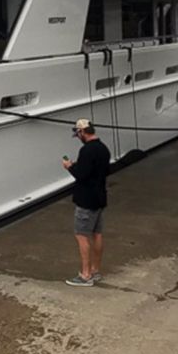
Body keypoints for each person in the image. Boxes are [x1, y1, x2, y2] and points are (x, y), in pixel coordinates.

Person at [62, 119, 111, 287]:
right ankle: (95, 270)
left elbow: (81, 175)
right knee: (97, 234)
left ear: (83, 132)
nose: (78, 137)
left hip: (86, 199)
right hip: (99, 197)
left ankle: (85, 275)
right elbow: (99, 170)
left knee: (82, 236)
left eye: (78, 134)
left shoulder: (86, 150)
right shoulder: (103, 149)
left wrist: (69, 166)